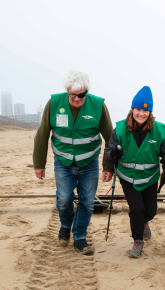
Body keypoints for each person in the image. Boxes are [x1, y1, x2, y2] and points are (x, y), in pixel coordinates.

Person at [33, 70, 114, 255]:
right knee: (64, 200)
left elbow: (110, 137)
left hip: (89, 161)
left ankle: (79, 236)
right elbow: (42, 134)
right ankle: (65, 226)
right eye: (73, 95)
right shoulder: (54, 103)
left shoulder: (98, 105)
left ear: (87, 92)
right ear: (67, 91)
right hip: (63, 161)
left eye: (81, 95)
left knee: (86, 202)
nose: (77, 99)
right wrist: (39, 164)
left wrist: (108, 166)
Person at [104, 86, 165, 258]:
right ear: (132, 109)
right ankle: (138, 241)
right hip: (127, 177)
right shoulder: (120, 129)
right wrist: (113, 153)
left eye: (146, 110)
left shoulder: (159, 130)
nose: (142, 113)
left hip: (150, 178)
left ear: (150, 112)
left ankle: (145, 222)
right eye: (138, 109)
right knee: (136, 209)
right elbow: (108, 154)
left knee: (150, 211)